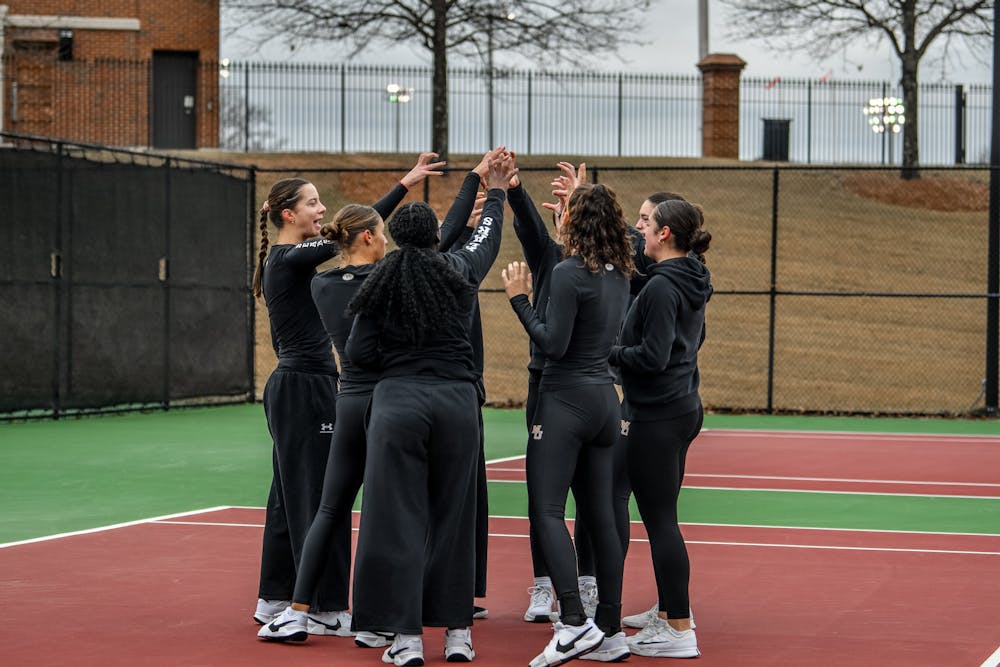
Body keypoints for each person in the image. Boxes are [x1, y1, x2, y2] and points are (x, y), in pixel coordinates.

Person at [251, 154, 445, 637]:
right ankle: (326, 606)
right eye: (312, 203)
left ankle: (273, 595)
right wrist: (403, 186)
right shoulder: (289, 256)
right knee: (318, 499)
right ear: (287, 214)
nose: (322, 209)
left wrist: (405, 183)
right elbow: (352, 230)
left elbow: (351, 229)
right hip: (305, 387)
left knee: (287, 497)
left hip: (296, 387)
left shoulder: (293, 260)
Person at [346, 152, 516, 666]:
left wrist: (472, 181)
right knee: (454, 516)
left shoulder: (382, 281)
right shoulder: (459, 270)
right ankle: (458, 634)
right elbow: (486, 235)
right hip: (457, 404)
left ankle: (405, 639)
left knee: (397, 518)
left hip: (398, 402)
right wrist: (495, 190)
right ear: (437, 237)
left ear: (395, 238)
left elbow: (357, 353)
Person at [501, 182, 634, 666]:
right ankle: (611, 629)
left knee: (548, 511)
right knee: (600, 516)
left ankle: (574, 622)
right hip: (605, 402)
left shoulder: (566, 273)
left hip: (565, 401)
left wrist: (519, 299)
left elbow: (552, 344)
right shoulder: (621, 273)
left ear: (574, 224)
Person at [609, 199, 712, 659]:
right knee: (662, 517)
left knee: (660, 522)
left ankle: (679, 628)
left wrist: (608, 354)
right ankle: (671, 614)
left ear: (665, 232)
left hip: (658, 413)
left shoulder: (662, 288)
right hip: (681, 406)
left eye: (647, 223)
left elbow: (653, 356)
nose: (641, 230)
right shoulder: (690, 278)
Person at [506, 163, 601, 624]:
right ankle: (543, 584)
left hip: (585, 386)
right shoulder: (548, 258)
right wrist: (515, 187)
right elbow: (526, 222)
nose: (562, 215)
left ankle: (587, 581)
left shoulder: (604, 266)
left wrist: (582, 197)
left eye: (572, 210)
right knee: (543, 494)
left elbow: (629, 237)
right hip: (544, 385)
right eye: (560, 210)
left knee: (590, 491)